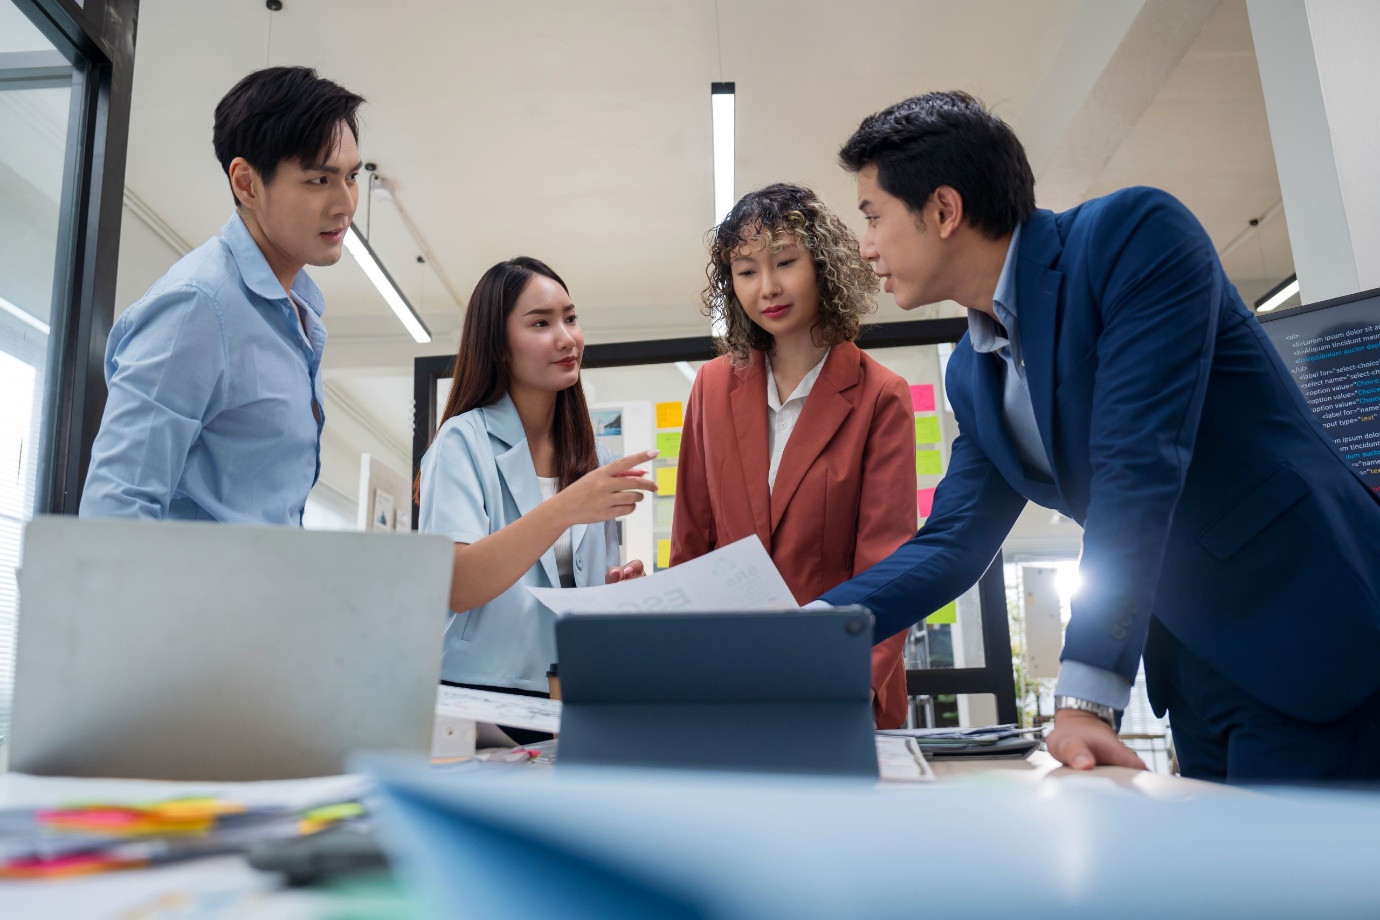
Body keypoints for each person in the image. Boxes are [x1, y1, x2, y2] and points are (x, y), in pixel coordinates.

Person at [815, 91, 1380, 782]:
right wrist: (808, 623)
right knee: (1236, 884)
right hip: (1195, 667)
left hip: (1309, 629)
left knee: (1317, 888)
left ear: (942, 209)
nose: (866, 247)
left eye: (873, 217)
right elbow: (953, 542)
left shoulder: (1131, 237)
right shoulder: (972, 369)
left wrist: (1085, 695)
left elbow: (1137, 462)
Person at [673, 183, 917, 729]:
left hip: (840, 684)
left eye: (785, 261)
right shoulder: (711, 387)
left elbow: (888, 566)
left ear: (823, 265)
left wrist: (842, 682)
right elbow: (692, 546)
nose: (768, 287)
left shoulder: (880, 394)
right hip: (730, 682)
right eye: (746, 271)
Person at [80, 67, 365, 523]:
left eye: (351, 177)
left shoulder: (296, 312)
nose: (346, 203)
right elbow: (115, 509)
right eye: (319, 180)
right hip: (194, 596)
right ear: (247, 184)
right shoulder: (199, 306)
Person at [417, 257, 655, 739]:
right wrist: (567, 508)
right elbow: (458, 584)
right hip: (479, 698)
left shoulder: (592, 455)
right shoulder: (463, 442)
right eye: (541, 323)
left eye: (570, 318)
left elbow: (570, 596)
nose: (567, 338)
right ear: (499, 346)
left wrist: (615, 592)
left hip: (571, 695)